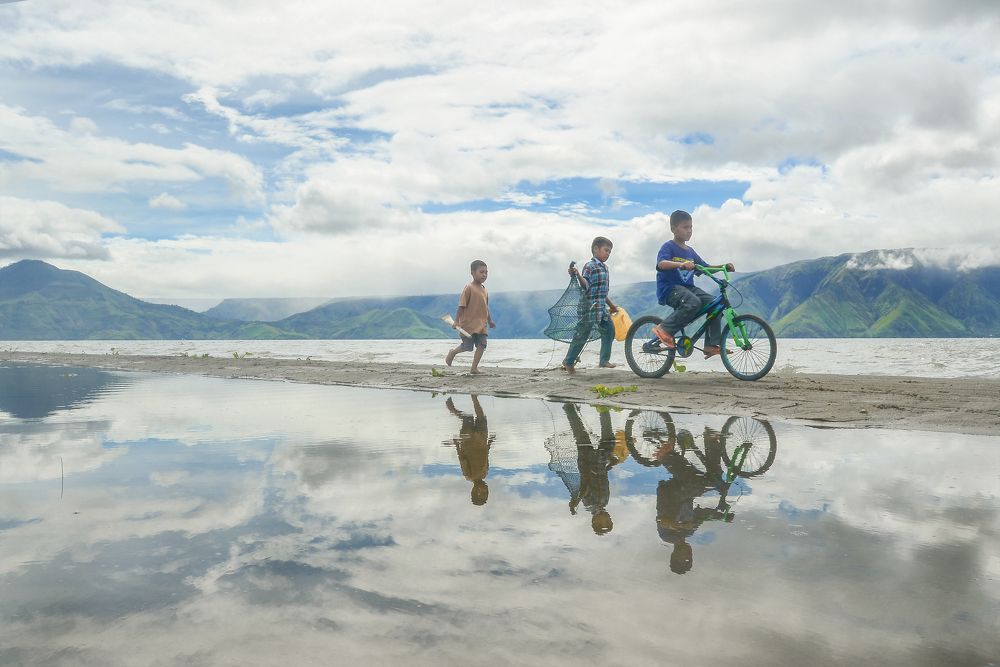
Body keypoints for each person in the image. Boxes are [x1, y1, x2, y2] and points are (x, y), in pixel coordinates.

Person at [653, 210, 735, 359]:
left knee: (715, 305)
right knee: (693, 302)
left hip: (688, 289)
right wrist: (681, 264)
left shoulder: (690, 252)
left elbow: (705, 268)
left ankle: (711, 345)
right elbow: (661, 264)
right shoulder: (668, 247)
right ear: (673, 229)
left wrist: (723, 267)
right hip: (670, 289)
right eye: (685, 227)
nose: (689, 230)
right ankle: (663, 329)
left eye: (691, 227)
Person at [562, 237, 619, 372]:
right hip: (588, 306)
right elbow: (585, 285)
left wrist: (611, 305)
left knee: (609, 330)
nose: (608, 254)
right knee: (582, 334)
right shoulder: (590, 266)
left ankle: (604, 360)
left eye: (610, 252)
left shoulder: (605, 268)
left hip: (601, 307)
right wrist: (577, 274)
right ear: (596, 249)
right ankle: (568, 361)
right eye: (606, 250)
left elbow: (602, 292)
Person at [445, 260, 496, 374]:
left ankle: (474, 368)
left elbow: (486, 307)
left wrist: (490, 320)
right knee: (467, 347)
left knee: (482, 345)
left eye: (486, 272)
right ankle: (452, 352)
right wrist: (456, 321)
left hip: (481, 325)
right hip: (468, 324)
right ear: (472, 273)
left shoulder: (485, 290)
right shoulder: (469, 288)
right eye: (481, 272)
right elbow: (461, 306)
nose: (484, 275)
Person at [445, 395, 494, 505]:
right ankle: (474, 397)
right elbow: (486, 455)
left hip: (468, 440)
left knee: (468, 418)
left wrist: (457, 444)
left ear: (475, 491)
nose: (485, 489)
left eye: (482, 492)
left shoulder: (469, 476)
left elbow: (462, 458)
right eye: (486, 492)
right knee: (481, 418)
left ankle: (453, 410)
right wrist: (490, 442)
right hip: (481, 438)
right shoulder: (484, 474)